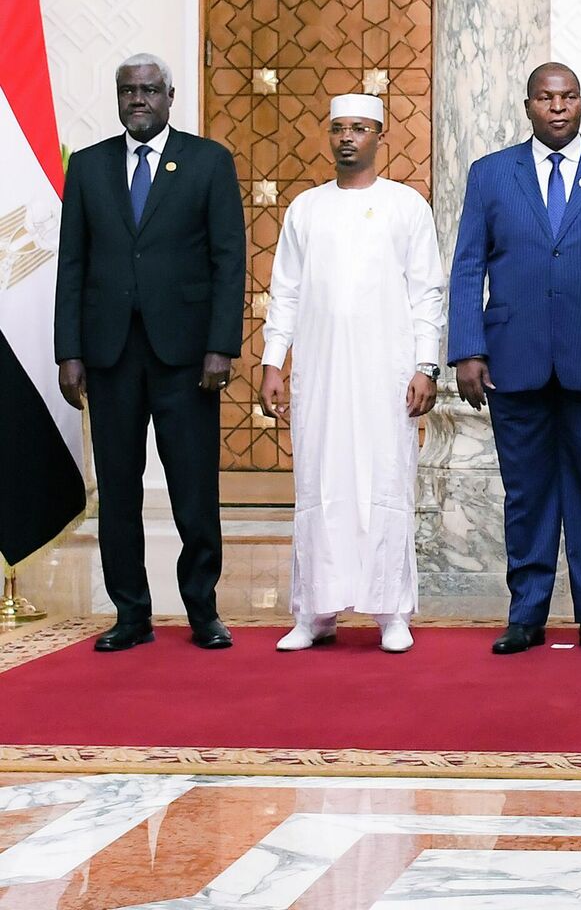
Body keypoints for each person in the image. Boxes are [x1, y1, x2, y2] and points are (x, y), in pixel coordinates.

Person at [447, 63, 581, 657]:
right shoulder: (491, 175)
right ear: (528, 106)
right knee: (526, 492)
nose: (558, 107)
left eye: (568, 97)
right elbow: (468, 265)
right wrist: (467, 349)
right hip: (514, 360)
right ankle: (527, 615)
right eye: (546, 98)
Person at [53, 54, 244, 652]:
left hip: (186, 356)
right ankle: (130, 614)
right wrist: (69, 351)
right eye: (128, 91)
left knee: (193, 487)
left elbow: (227, 261)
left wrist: (220, 346)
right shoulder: (87, 167)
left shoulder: (208, 161)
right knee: (118, 488)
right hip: (109, 355)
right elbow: (73, 266)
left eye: (149, 90)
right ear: (118, 98)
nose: (138, 99)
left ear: (169, 96)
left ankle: (202, 610)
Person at [260, 94, 445, 655]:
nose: (347, 138)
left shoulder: (405, 206)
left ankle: (391, 611)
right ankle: (314, 613)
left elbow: (428, 291)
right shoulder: (306, 208)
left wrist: (426, 365)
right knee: (319, 484)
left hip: (386, 372)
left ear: (379, 138)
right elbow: (285, 291)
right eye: (338, 128)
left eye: (359, 129)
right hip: (318, 373)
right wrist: (273, 360)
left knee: (385, 481)